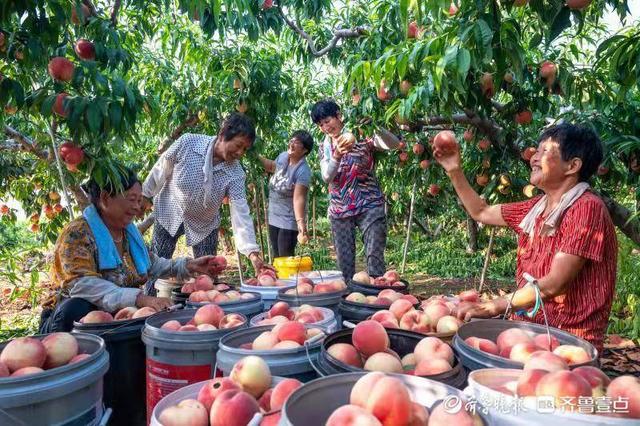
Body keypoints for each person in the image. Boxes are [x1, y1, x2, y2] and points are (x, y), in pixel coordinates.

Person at [433, 123, 617, 353]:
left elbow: (555, 284)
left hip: (568, 343)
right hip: (531, 335)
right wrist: (454, 170)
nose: (533, 157)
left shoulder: (586, 208)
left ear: (572, 165)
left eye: (544, 151)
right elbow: (481, 211)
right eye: (536, 151)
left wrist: (494, 306)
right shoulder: (536, 209)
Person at [40, 167, 222, 333]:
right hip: (70, 324)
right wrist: (139, 299)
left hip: (117, 317)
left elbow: (152, 265)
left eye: (139, 200)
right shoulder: (77, 234)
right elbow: (83, 285)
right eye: (132, 199)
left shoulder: (128, 234)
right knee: (77, 307)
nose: (137, 207)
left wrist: (190, 266)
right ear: (105, 198)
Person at [142, 113, 269, 274]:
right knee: (155, 270)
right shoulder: (188, 142)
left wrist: (252, 254)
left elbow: (240, 212)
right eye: (238, 145)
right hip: (170, 212)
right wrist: (145, 195)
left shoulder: (236, 173)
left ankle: (202, 298)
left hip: (204, 223)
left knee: (208, 274)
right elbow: (161, 169)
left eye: (244, 149)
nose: (240, 153)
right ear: (223, 134)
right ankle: (149, 298)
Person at [310, 99, 401, 283]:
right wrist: (337, 156)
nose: (325, 127)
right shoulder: (325, 147)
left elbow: (393, 144)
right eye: (321, 125)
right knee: (345, 265)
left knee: (374, 258)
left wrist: (374, 127)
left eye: (327, 121)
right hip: (340, 210)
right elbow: (327, 177)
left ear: (339, 115)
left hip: (370, 204)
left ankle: (377, 299)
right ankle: (350, 301)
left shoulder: (361, 134)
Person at [259, 130, 313, 257]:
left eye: (297, 142)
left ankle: (289, 278)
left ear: (305, 150)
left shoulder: (303, 171)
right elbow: (272, 167)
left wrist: (301, 223)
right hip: (274, 216)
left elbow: (299, 198)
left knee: (285, 257)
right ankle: (279, 277)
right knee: (277, 258)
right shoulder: (284, 156)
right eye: (291, 140)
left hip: (288, 221)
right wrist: (254, 156)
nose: (292, 143)